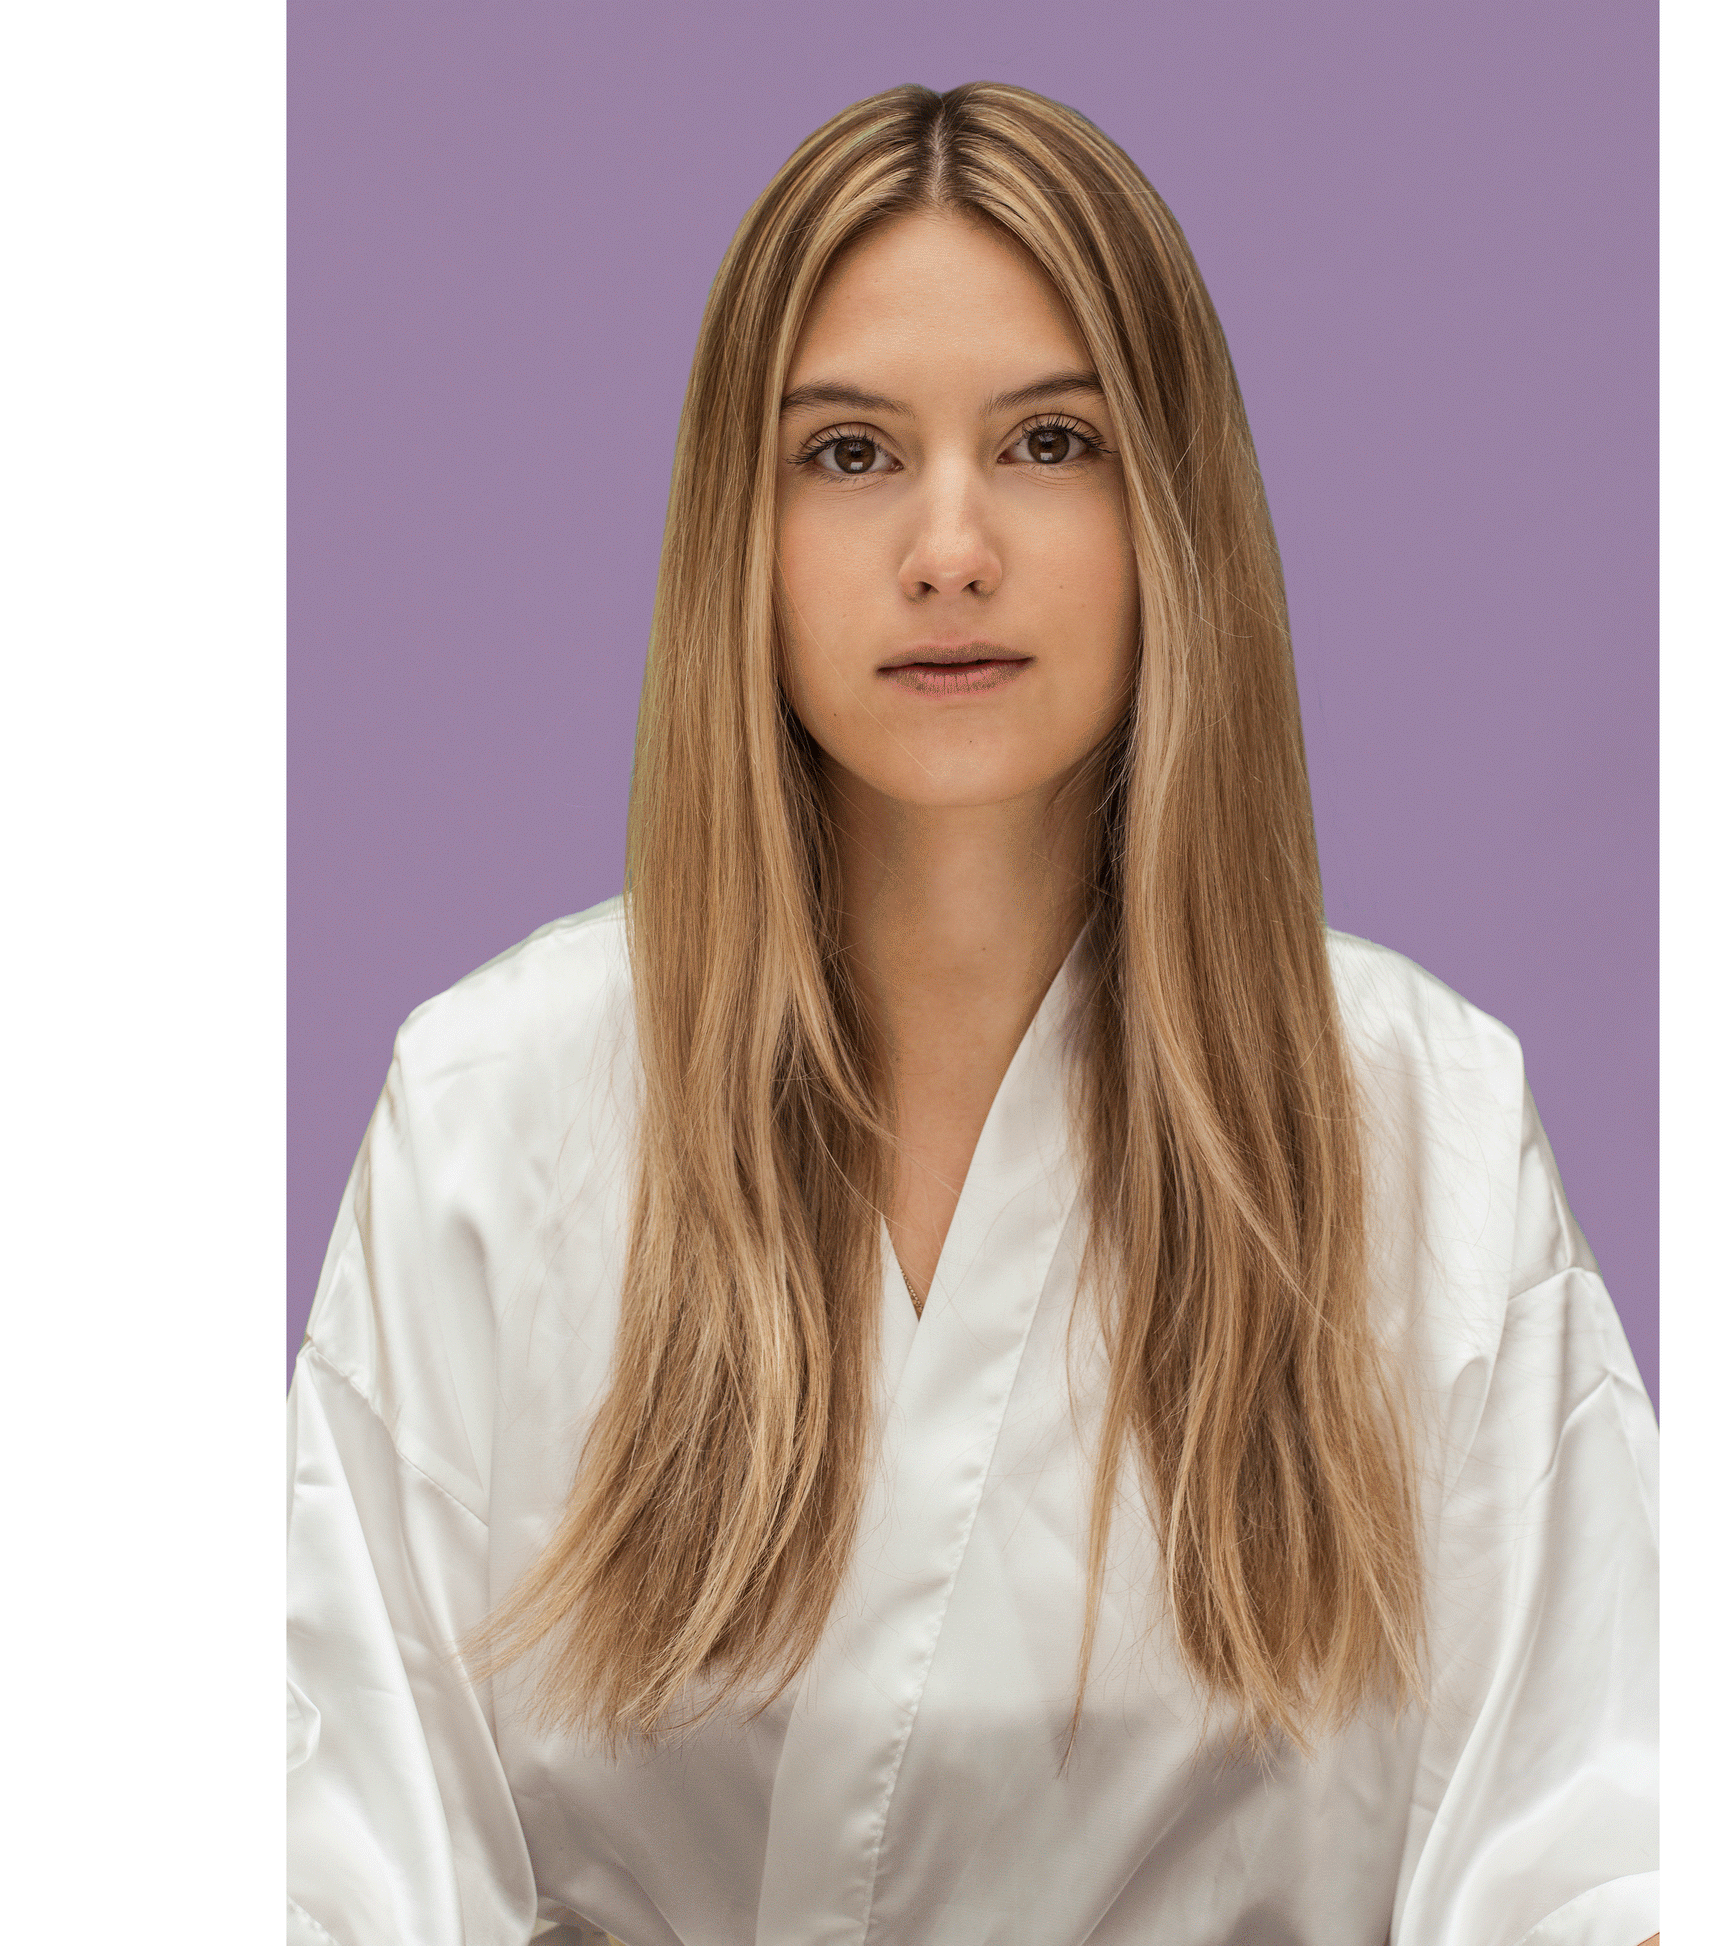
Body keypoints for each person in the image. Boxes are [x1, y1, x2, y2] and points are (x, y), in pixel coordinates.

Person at [286, 81, 1657, 1946]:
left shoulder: (1409, 1115)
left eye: (1049, 441)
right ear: (738, 533)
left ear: (1170, 504)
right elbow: (341, 1855)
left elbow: (1593, 1846)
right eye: (847, 453)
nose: (948, 546)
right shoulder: (490, 1108)